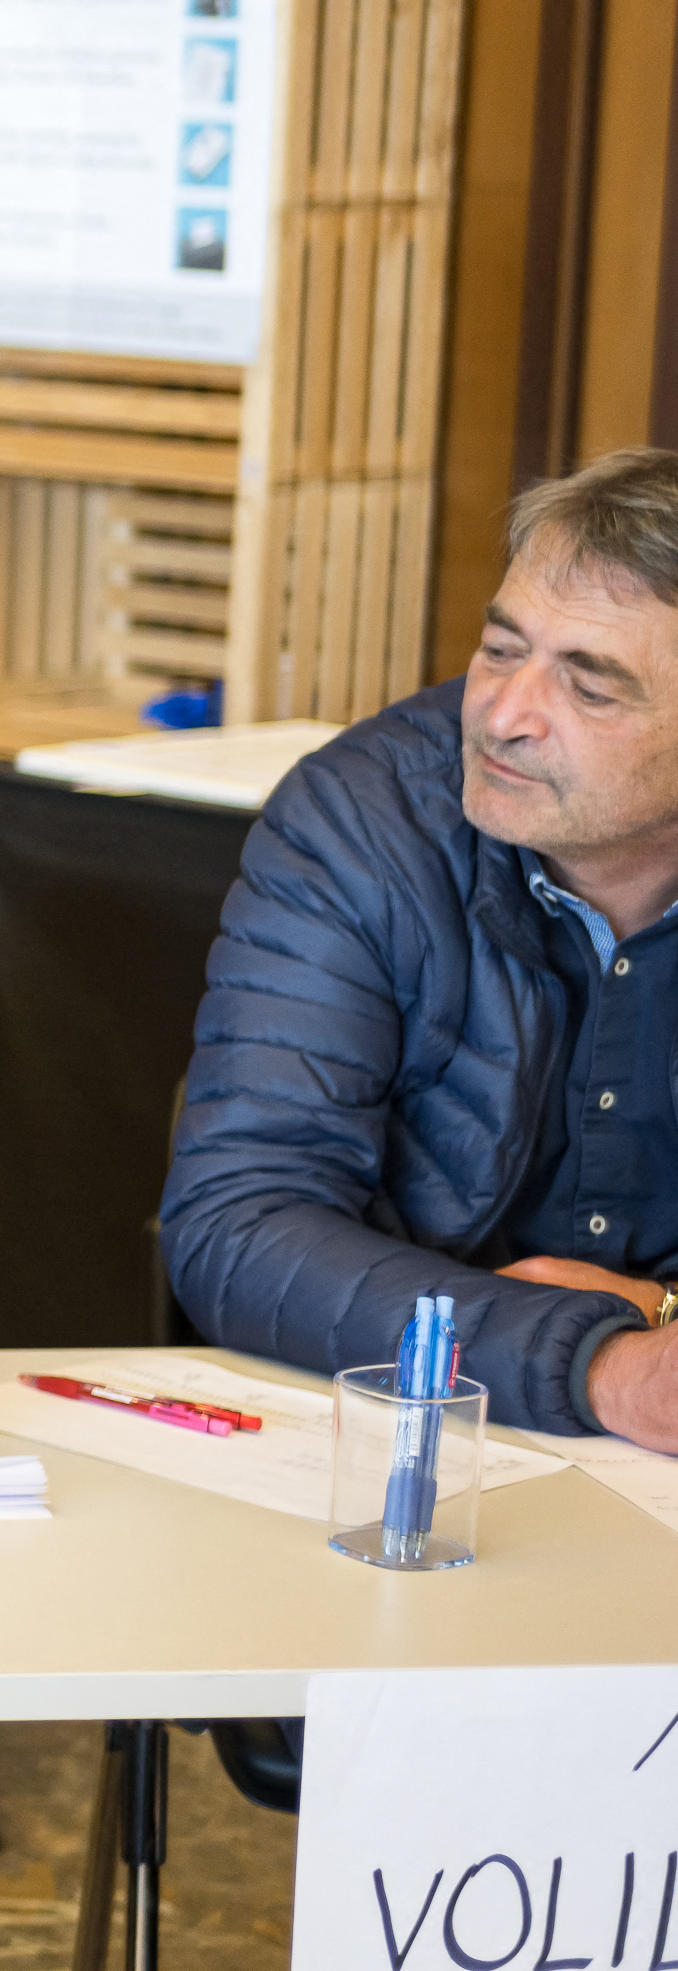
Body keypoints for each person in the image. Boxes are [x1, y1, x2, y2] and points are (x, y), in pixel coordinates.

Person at [164, 446, 678, 1449]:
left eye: (591, 687)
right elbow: (242, 1222)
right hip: (407, 1437)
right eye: (501, 646)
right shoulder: (359, 823)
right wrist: (606, 1360)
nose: (505, 714)